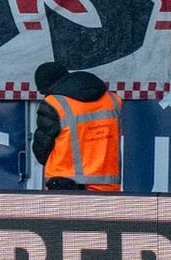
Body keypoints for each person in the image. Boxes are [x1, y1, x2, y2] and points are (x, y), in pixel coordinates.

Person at [32, 60, 121, 192]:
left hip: (64, 184)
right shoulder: (112, 100)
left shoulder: (54, 103)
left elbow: (41, 149)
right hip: (106, 185)